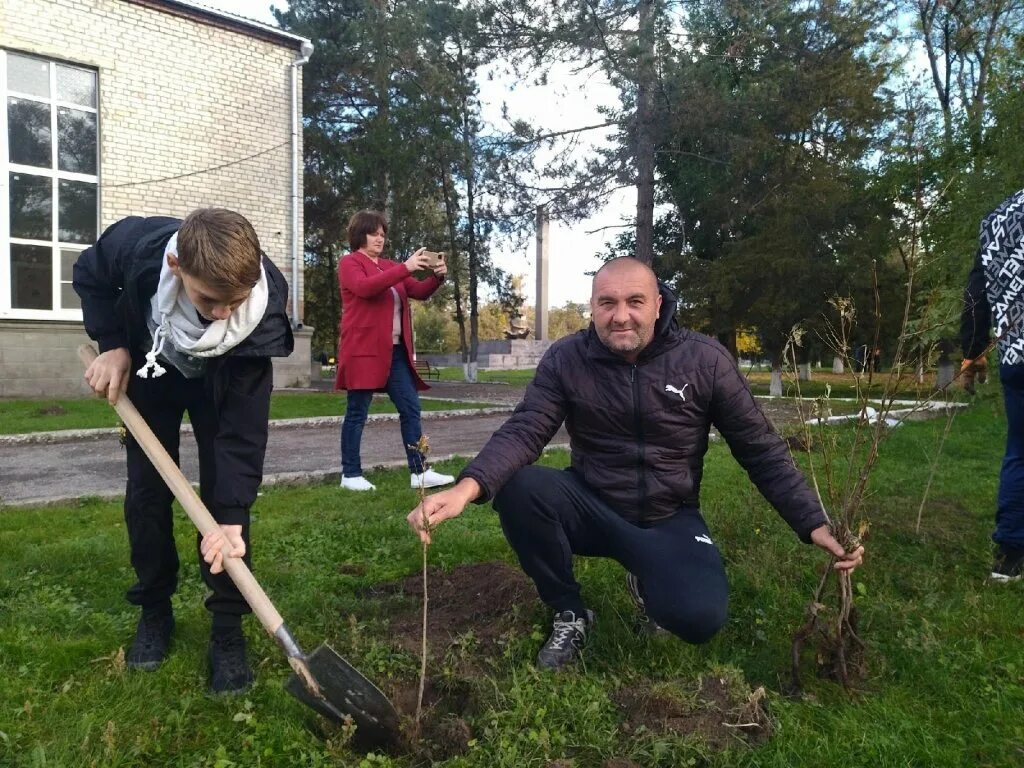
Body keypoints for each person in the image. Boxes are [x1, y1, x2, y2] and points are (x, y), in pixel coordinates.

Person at [406, 257, 864, 669]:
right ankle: (570, 610)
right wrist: (466, 488)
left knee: (699, 619)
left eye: (634, 301)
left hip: (669, 516)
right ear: (592, 307)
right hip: (592, 506)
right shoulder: (568, 358)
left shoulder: (705, 361)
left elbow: (760, 448)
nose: (620, 315)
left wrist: (812, 521)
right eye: (607, 303)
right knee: (519, 487)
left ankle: (647, 579)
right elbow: (526, 428)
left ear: (658, 305)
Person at [73, 208, 294, 693]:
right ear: (177, 266)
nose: (223, 314)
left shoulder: (260, 316)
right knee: (148, 494)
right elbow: (89, 273)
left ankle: (227, 630)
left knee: (224, 505)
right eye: (211, 300)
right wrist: (112, 344)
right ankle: (155, 610)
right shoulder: (138, 247)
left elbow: (244, 430)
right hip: (151, 373)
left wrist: (232, 515)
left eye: (233, 302)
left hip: (221, 381)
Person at [335, 210, 455, 492]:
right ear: (359, 235)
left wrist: (437, 277)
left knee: (411, 408)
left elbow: (420, 291)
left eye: (382, 234)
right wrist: (405, 267)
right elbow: (365, 289)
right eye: (374, 233)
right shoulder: (350, 263)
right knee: (357, 412)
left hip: (396, 352)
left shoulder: (388, 266)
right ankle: (350, 474)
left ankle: (419, 472)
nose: (380, 238)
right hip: (363, 351)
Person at [960, 187, 1024, 582]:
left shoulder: (999, 218)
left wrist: (973, 350)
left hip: (1017, 356)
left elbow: (975, 295)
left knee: (1020, 450)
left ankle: (1010, 557)